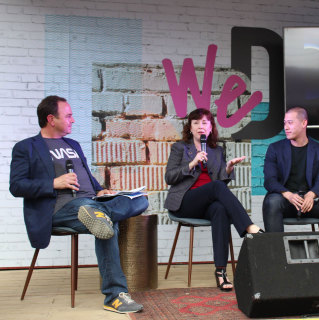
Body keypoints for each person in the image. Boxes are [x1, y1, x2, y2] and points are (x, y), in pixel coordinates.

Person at [9, 95, 148, 313]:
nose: (73, 120)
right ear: (51, 119)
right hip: (60, 209)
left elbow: (85, 175)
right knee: (104, 222)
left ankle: (98, 213)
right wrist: (53, 183)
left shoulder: (72, 144)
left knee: (139, 199)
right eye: (69, 116)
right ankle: (115, 296)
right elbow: (16, 186)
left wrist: (100, 189)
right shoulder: (26, 147)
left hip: (91, 202)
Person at [164, 108, 262, 291]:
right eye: (196, 123)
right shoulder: (179, 148)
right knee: (217, 187)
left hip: (207, 204)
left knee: (220, 209)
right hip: (185, 202)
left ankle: (221, 272)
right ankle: (249, 227)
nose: (201, 126)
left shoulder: (217, 151)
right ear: (190, 128)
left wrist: (228, 168)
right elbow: (169, 177)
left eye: (205, 123)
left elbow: (220, 180)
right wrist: (192, 162)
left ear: (210, 128)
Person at [262, 107, 319, 232]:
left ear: (304, 123)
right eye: (284, 123)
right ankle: (276, 251)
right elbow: (270, 181)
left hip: (310, 204)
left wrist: (311, 195)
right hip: (285, 203)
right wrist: (288, 195)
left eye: (290, 123)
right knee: (272, 201)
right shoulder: (275, 149)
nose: (286, 127)